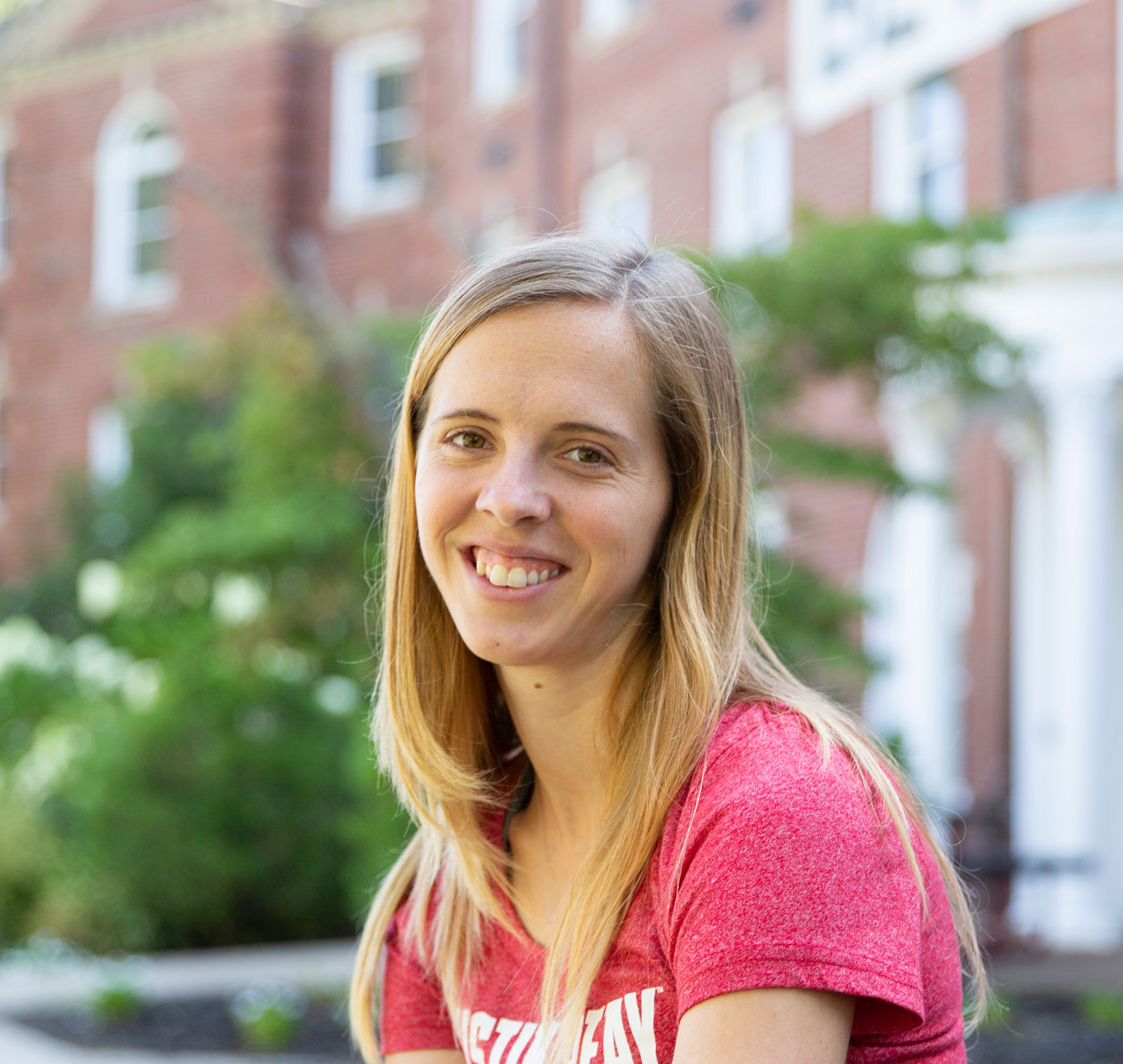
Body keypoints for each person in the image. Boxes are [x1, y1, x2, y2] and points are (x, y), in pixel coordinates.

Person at [346, 233, 986, 1064]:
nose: (510, 500)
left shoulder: (773, 808)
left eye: (586, 454)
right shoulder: (450, 896)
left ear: (680, 504)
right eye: (469, 438)